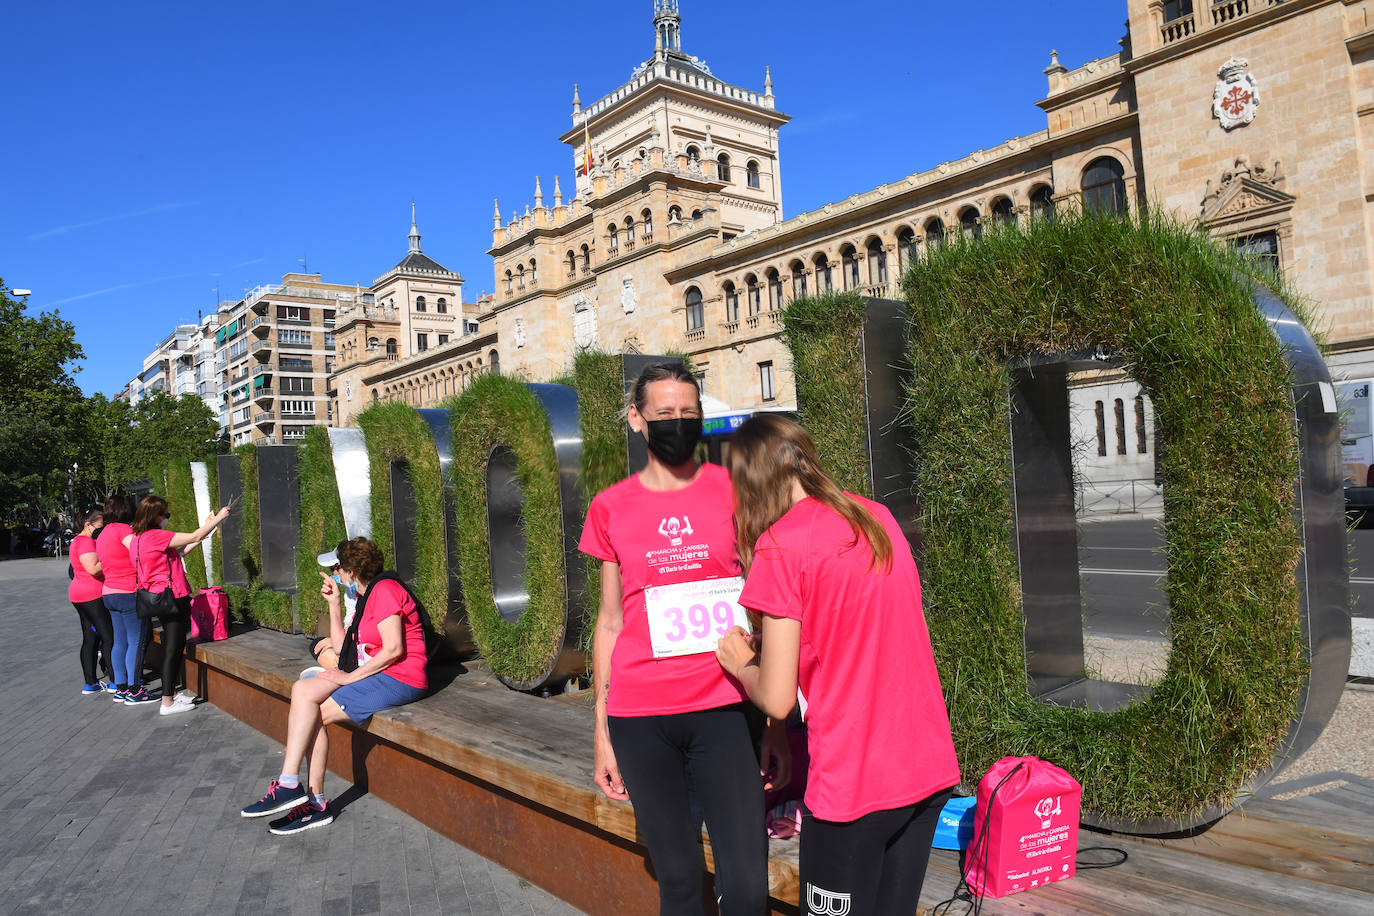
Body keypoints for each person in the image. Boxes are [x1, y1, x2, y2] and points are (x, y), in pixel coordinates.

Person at [716, 414, 961, 916]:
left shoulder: (780, 546)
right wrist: (777, 733)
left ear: (751, 482)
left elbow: (778, 694)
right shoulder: (874, 517)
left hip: (854, 788)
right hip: (925, 771)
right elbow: (857, 635)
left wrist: (741, 663)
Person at [578, 363, 786, 916]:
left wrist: (773, 723)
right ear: (637, 420)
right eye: (664, 413)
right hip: (641, 718)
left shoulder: (737, 492)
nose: (677, 422)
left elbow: (769, 608)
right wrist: (601, 730)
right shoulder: (610, 506)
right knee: (678, 883)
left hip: (724, 707)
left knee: (745, 888)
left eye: (688, 413)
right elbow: (609, 621)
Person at [239, 536, 429, 835]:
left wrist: (347, 678)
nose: (336, 573)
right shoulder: (366, 596)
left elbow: (393, 649)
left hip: (401, 677)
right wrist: (334, 605)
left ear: (352, 571)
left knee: (314, 714)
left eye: (339, 567)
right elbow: (344, 650)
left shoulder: (386, 590)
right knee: (304, 692)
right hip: (380, 674)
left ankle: (313, 802)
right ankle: (292, 784)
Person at [128, 495, 230, 716]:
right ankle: (167, 702)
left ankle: (171, 694)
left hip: (155, 597)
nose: (167, 518)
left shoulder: (136, 538)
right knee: (173, 649)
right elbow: (194, 534)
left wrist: (203, 535)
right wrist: (218, 518)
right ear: (154, 516)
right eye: (165, 514)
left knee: (171, 646)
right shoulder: (156, 536)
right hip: (172, 597)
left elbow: (179, 552)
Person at [96, 493, 157, 705]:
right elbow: (140, 550)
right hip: (129, 592)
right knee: (136, 642)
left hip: (109, 593)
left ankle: (120, 688)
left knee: (119, 642)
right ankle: (135, 689)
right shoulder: (123, 530)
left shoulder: (102, 533)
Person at [69, 508, 116, 694]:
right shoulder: (85, 542)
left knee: (90, 638)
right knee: (108, 637)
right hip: (92, 595)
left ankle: (90, 682)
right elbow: (93, 569)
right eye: (100, 526)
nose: (102, 530)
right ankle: (115, 681)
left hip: (80, 594)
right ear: (88, 525)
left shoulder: (78, 541)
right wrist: (113, 558)